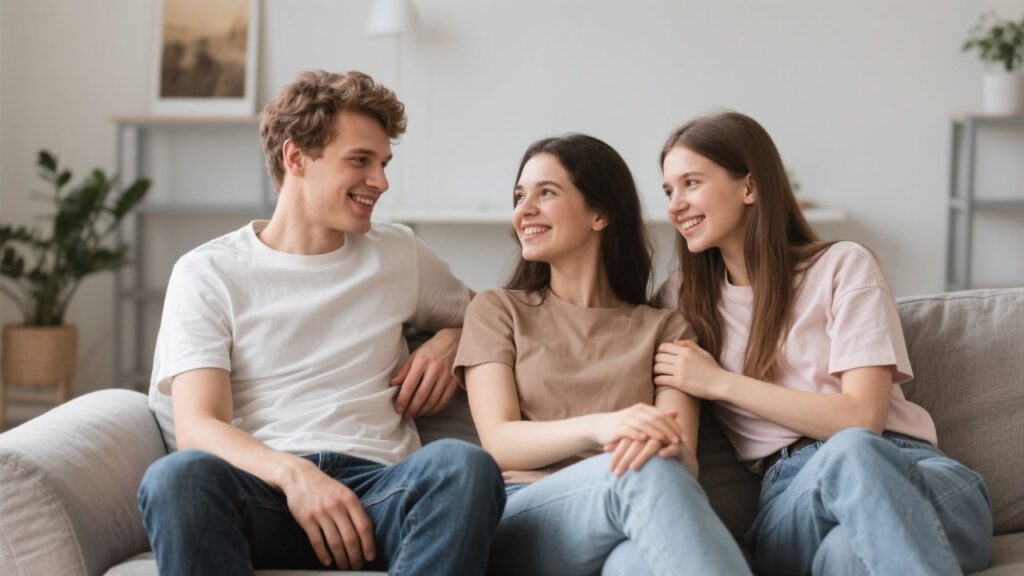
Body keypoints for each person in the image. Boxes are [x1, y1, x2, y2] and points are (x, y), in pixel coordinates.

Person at [137, 70, 505, 576]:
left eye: (383, 163)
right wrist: (296, 476)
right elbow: (199, 424)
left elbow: (498, 317)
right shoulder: (208, 273)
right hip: (262, 492)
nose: (381, 181)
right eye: (360, 161)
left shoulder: (397, 254)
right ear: (296, 158)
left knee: (464, 468)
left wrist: (451, 341)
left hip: (381, 492)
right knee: (176, 477)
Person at [653, 111, 993, 575]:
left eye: (691, 182)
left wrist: (721, 383)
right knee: (848, 474)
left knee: (845, 553)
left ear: (749, 187)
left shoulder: (841, 267)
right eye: (669, 190)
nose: (675, 205)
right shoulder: (679, 301)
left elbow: (861, 419)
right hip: (793, 500)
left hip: (919, 475)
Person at [455, 134, 751, 576]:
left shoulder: (666, 329)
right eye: (520, 196)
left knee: (637, 565)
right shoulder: (498, 310)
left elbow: (682, 461)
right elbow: (499, 443)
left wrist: (653, 448)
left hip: (631, 516)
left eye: (546, 193)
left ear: (600, 213)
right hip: (526, 517)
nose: (525, 210)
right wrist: (604, 427)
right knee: (643, 470)